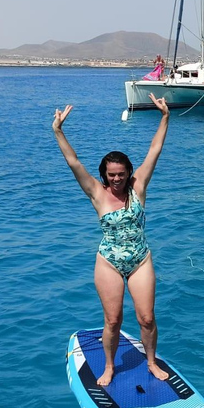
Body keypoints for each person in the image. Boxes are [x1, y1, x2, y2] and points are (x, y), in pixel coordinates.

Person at [52, 93, 170, 386]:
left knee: (146, 318)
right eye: (111, 175)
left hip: (140, 259)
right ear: (104, 175)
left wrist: (165, 117)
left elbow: (154, 150)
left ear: (129, 172)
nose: (116, 179)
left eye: (121, 174)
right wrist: (58, 130)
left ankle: (152, 362)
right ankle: (108, 366)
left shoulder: (138, 187)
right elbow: (73, 162)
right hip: (109, 262)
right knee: (113, 320)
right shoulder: (96, 192)